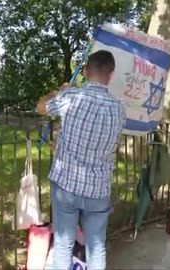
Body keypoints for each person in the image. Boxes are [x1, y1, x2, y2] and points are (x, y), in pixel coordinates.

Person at [37, 50, 126, 270]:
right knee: (97, 247)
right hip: (98, 189)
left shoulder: (71, 97)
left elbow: (41, 107)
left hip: (67, 186)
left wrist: (58, 92)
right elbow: (103, 145)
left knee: (63, 243)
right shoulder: (119, 109)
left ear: (85, 71)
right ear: (111, 75)